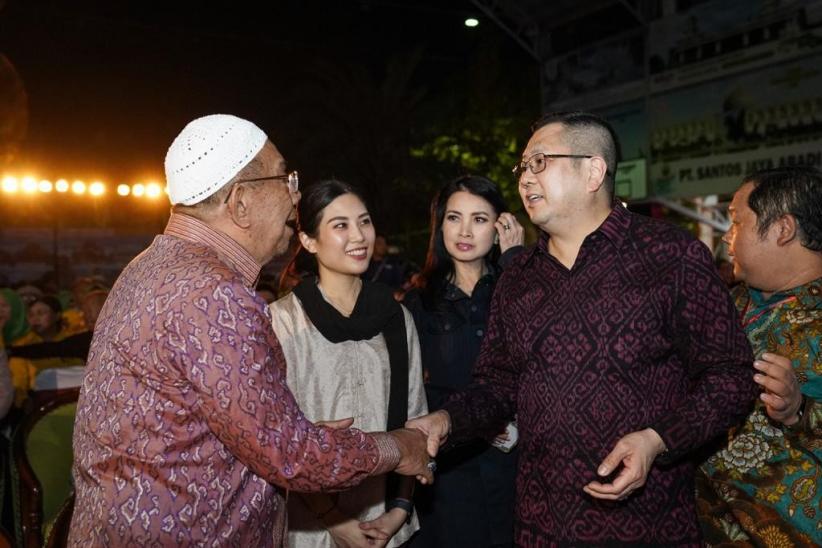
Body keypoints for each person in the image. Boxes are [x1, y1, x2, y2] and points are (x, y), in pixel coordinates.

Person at [68, 114, 433, 547]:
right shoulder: (215, 295)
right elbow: (291, 456)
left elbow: (220, 433)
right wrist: (398, 447)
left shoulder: (150, 265)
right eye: (286, 178)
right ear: (241, 202)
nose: (296, 197)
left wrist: (294, 434)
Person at [407, 111, 758, 546]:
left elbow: (731, 378)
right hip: (542, 527)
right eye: (522, 168)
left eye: (539, 162)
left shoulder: (670, 255)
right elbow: (497, 386)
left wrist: (658, 440)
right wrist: (446, 419)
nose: (524, 179)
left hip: (648, 526)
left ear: (593, 170)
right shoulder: (518, 278)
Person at [270, 180, 427, 548]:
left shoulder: (395, 316)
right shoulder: (281, 322)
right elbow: (280, 437)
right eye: (340, 225)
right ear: (308, 241)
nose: (359, 236)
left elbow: (414, 419)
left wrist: (399, 510)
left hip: (387, 525)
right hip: (310, 529)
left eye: (365, 222)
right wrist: (335, 522)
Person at [696, 166, 822, 545]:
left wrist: (799, 410)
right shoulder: (722, 306)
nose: (726, 236)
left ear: (782, 229)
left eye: (737, 223)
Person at [403, 175, 523, 548]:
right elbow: (412, 393)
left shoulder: (520, 287)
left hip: (519, 468)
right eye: (454, 217)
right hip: (449, 475)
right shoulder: (418, 302)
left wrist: (517, 263)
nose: (465, 230)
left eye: (480, 219)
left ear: (501, 227)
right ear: (440, 226)